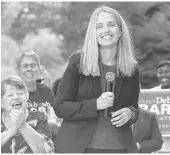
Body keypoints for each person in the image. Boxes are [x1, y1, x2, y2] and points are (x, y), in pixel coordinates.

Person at [53, 6, 140, 153]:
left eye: (111, 25)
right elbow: (60, 107)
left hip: (120, 148)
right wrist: (95, 105)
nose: (106, 30)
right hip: (79, 147)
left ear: (120, 32)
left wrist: (130, 113)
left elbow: (134, 107)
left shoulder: (131, 67)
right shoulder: (78, 62)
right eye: (99, 26)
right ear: (93, 33)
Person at [1, 76, 54, 153]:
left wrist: (23, 125)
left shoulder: (39, 117)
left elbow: (46, 151)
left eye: (20, 93)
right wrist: (9, 133)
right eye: (10, 95)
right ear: (1, 101)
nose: (16, 97)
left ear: (27, 96)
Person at [15, 51, 59, 142]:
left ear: (38, 69)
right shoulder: (12, 93)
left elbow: (54, 117)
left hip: (47, 142)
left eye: (33, 65)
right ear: (18, 70)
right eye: (25, 66)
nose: (29, 69)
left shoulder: (46, 91)